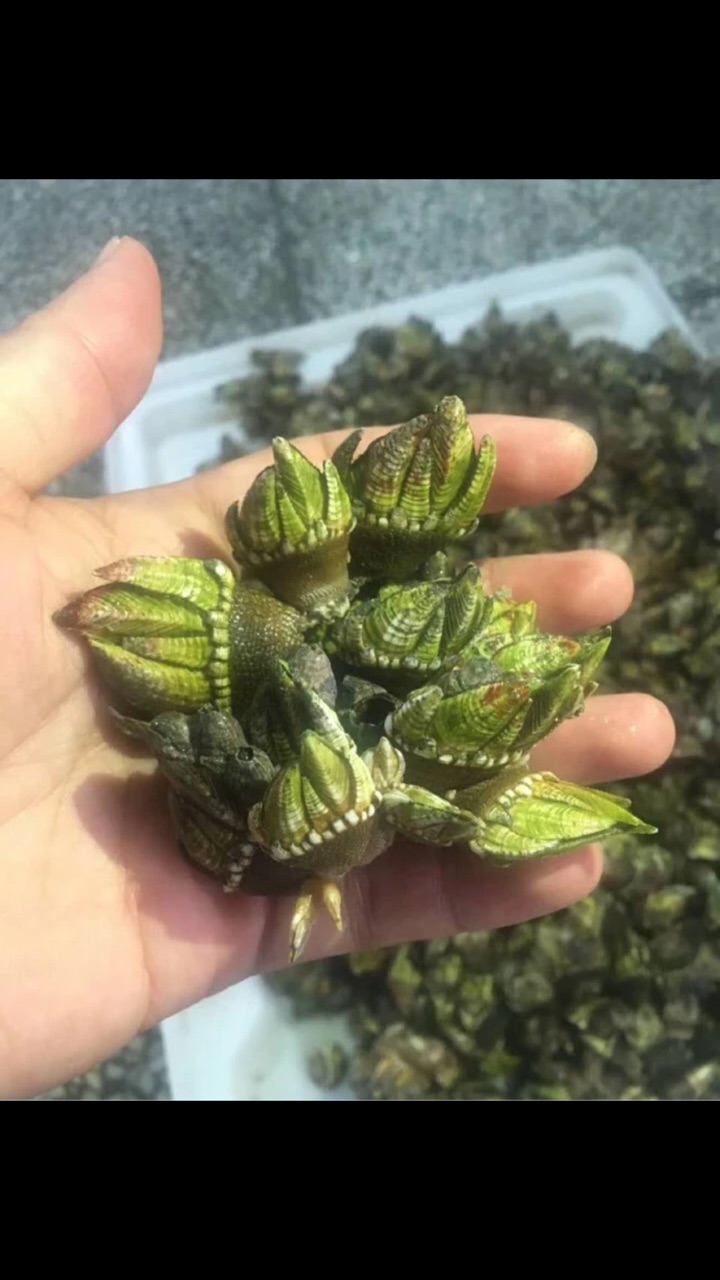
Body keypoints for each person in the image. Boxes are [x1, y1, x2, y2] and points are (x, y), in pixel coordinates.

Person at [0, 238, 675, 1098]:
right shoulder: (289, 650)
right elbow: (298, 683)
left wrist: (331, 811)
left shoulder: (325, 681)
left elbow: (305, 703)